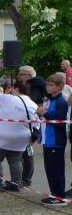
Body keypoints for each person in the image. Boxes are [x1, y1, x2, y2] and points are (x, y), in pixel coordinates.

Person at [0, 80, 37, 192]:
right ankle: (15, 184)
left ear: (16, 89)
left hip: (0, 137)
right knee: (15, 161)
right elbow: (36, 125)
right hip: (21, 139)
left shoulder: (7, 98)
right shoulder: (33, 105)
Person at [37, 73, 68, 204]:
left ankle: (59, 196)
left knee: (56, 170)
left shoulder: (61, 102)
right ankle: (54, 194)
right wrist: (41, 112)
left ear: (59, 87)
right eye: (47, 85)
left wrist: (45, 113)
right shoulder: (49, 99)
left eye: (51, 85)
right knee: (49, 169)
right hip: (47, 140)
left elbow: (60, 122)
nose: (48, 87)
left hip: (56, 140)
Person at [17, 65, 46, 187]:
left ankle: (26, 180)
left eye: (21, 75)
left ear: (28, 75)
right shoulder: (33, 85)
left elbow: (32, 105)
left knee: (27, 152)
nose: (18, 77)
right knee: (25, 152)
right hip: (29, 123)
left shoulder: (34, 87)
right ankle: (24, 179)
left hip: (32, 124)